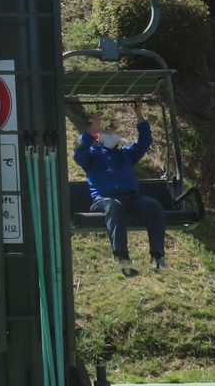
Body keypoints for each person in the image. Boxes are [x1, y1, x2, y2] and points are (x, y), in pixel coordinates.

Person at [72, 103, 168, 275]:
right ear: (100, 137)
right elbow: (79, 154)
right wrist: (92, 130)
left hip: (131, 198)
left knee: (153, 206)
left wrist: (139, 114)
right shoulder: (92, 156)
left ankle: (158, 256)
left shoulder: (126, 154)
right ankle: (122, 258)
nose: (114, 135)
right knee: (114, 206)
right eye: (109, 132)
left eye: (114, 132)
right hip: (104, 200)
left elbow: (144, 142)